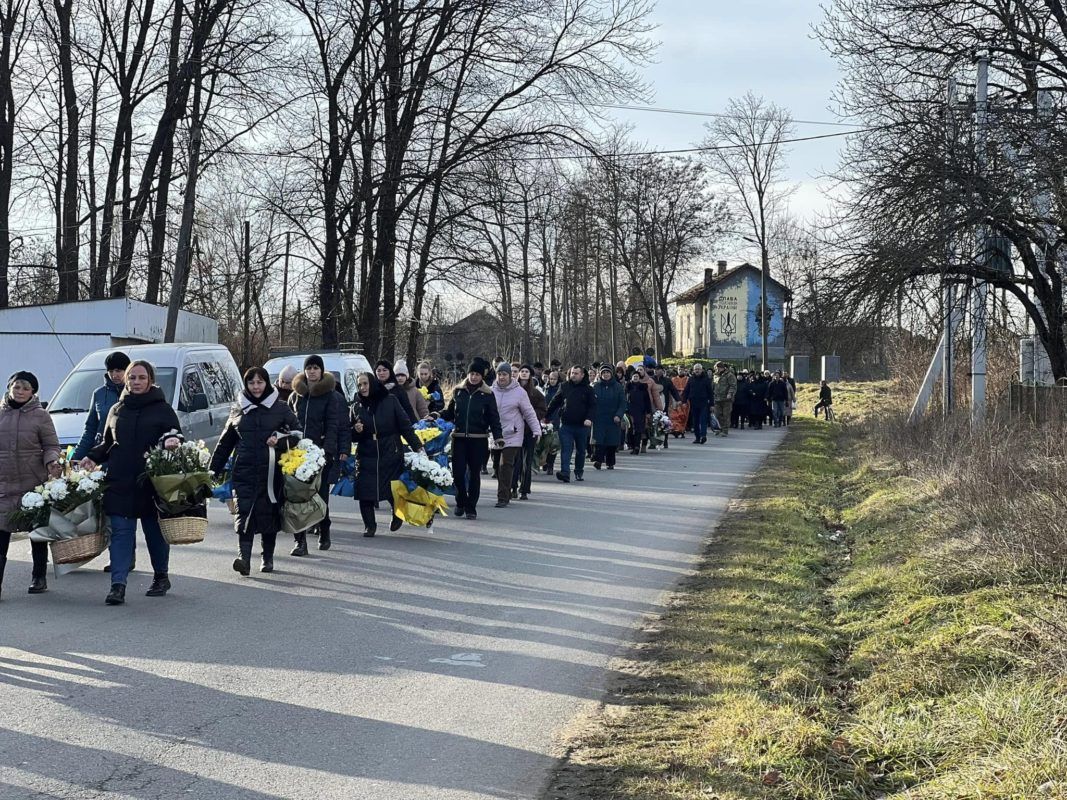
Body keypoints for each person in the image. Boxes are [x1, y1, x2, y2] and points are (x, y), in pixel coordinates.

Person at [82, 360, 181, 606]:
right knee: (121, 534)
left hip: (151, 483)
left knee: (154, 534)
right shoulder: (117, 409)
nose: (136, 382)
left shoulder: (163, 409)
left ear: (150, 380)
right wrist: (91, 457)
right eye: (132, 378)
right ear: (126, 380)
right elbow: (107, 443)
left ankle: (161, 576)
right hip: (120, 480)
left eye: (141, 378)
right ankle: (118, 585)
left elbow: (176, 435)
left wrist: (171, 440)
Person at [210, 367, 299, 576]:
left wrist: (279, 439)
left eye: (259, 382)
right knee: (244, 513)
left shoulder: (281, 408)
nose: (256, 387)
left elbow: (298, 434)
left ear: (266, 383)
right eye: (251, 383)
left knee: (268, 515)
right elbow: (225, 444)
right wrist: (211, 470)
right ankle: (244, 559)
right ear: (246, 385)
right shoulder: (238, 410)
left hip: (272, 473)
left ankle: (267, 558)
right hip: (244, 472)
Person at [0, 371, 62, 599]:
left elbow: (51, 445)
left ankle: (39, 576)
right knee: (1, 533)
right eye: (17, 387)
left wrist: (52, 462)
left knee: (37, 532)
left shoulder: (41, 415)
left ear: (33, 392)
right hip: (3, 484)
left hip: (32, 482)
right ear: (9, 388)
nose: (20, 391)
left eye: (26, 388)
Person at [351, 373, 423, 536]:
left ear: (373, 384)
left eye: (365, 384)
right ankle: (369, 525)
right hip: (366, 452)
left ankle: (397, 514)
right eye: (360, 385)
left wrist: (418, 447)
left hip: (389, 450)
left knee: (391, 489)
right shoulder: (356, 407)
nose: (363, 388)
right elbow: (350, 434)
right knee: (365, 491)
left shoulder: (390, 401)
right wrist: (356, 431)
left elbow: (405, 426)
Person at [289, 355, 341, 554]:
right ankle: (299, 541)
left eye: (315, 368)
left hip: (320, 453)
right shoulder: (296, 396)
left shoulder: (330, 396)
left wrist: (327, 451)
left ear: (321, 371)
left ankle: (324, 529)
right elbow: (289, 423)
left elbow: (332, 426)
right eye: (309, 368)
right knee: (297, 497)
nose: (312, 372)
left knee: (320, 496)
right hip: (298, 454)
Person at [440, 361, 503, 520]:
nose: (474, 377)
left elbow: (494, 418)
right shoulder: (458, 391)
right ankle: (461, 500)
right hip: (459, 438)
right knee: (458, 473)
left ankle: (471, 507)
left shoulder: (488, 394)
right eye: (472, 374)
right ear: (467, 374)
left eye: (477, 374)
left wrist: (498, 437)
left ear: (482, 376)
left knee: (474, 474)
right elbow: (449, 413)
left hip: (478, 439)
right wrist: (435, 415)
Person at [490, 363, 541, 508]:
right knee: (496, 466)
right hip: (496, 434)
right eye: (499, 374)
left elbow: (529, 413)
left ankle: (503, 497)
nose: (502, 377)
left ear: (510, 376)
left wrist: (537, 431)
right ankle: (506, 489)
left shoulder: (519, 392)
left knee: (505, 465)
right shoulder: (491, 390)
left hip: (513, 434)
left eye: (504, 374)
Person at [73, 351, 129, 461]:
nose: (114, 375)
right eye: (111, 371)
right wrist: (75, 457)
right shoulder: (99, 394)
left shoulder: (134, 393)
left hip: (126, 454)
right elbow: (90, 429)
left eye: (118, 370)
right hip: (102, 453)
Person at [546, 365, 596, 483]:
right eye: (572, 373)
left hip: (582, 425)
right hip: (566, 424)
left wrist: (589, 418)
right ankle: (565, 473)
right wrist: (546, 416)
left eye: (576, 373)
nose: (573, 375)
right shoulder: (564, 386)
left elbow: (593, 406)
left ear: (582, 375)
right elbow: (555, 402)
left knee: (581, 450)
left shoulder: (588, 389)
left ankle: (579, 471)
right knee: (566, 449)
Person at [513, 365, 546, 500]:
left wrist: (530, 415)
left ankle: (524, 489)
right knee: (516, 460)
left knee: (528, 460)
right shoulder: (513, 390)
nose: (524, 374)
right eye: (522, 371)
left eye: (527, 372)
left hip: (530, 430)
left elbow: (543, 410)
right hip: (515, 430)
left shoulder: (536, 393)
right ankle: (513, 486)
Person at [591, 365, 626, 470]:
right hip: (599, 418)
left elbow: (623, 403)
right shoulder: (596, 386)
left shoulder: (617, 387)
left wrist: (618, 415)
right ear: (601, 375)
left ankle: (610, 462)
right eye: (603, 373)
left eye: (608, 373)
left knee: (611, 441)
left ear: (611, 374)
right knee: (599, 441)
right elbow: (591, 402)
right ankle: (598, 460)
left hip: (613, 418)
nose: (606, 375)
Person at [375, 360, 417, 424]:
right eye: (378, 371)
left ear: (390, 371)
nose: (381, 373)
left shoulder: (398, 389)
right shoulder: (372, 389)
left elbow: (408, 410)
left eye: (384, 370)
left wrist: (415, 425)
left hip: (396, 428)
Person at [682, 363, 714, 444]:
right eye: (695, 369)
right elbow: (686, 391)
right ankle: (697, 437)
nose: (697, 371)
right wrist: (684, 401)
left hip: (703, 403)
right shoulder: (691, 379)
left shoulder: (706, 379)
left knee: (703, 420)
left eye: (698, 369)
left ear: (701, 370)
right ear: (693, 370)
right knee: (695, 421)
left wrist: (712, 404)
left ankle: (703, 436)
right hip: (693, 402)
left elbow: (710, 393)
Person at [541, 368, 563, 474]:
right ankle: (544, 462)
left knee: (553, 444)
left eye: (554, 379)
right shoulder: (545, 389)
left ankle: (550, 465)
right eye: (550, 379)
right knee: (544, 442)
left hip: (556, 419)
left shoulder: (561, 390)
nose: (552, 381)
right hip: (545, 418)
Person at [625, 372, 652, 455]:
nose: (635, 377)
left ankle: (637, 447)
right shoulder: (628, 387)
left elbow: (647, 400)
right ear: (631, 377)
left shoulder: (643, 387)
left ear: (639, 378)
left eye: (637, 376)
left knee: (638, 430)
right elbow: (624, 399)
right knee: (630, 430)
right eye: (634, 376)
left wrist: (648, 412)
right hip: (629, 411)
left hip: (640, 411)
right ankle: (632, 446)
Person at [714, 362, 738, 436]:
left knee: (726, 415)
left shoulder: (729, 375)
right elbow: (713, 385)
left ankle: (725, 430)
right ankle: (719, 428)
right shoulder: (715, 375)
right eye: (716, 368)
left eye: (718, 368)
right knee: (717, 414)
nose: (716, 369)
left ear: (722, 367)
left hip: (726, 399)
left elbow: (733, 385)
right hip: (717, 398)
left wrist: (730, 393)